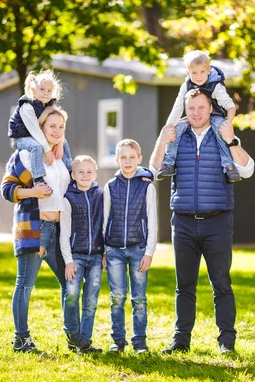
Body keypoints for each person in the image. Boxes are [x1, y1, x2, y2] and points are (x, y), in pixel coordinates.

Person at [149, 89, 255, 355]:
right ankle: (181, 341)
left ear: (210, 108)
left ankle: (226, 342)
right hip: (183, 223)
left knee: (221, 283)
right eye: (191, 108)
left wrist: (232, 142)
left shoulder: (222, 134)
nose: (195, 113)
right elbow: (154, 169)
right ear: (186, 109)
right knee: (184, 286)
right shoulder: (177, 135)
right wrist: (162, 142)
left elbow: (248, 169)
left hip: (217, 222)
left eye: (200, 107)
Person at [1, 105, 88, 353]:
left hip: (59, 231)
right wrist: (32, 192)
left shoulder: (61, 158)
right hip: (35, 229)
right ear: (40, 128)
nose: (57, 131)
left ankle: (74, 337)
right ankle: (21, 339)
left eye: (61, 127)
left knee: (71, 282)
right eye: (52, 126)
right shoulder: (27, 155)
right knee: (25, 284)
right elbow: (6, 189)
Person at [103, 139, 157, 354]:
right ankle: (118, 341)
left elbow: (152, 220)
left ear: (139, 159)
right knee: (117, 298)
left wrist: (150, 252)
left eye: (132, 157)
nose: (127, 161)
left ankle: (140, 342)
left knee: (139, 299)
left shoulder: (146, 186)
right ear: (117, 159)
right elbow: (104, 220)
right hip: (114, 250)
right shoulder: (110, 186)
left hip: (138, 250)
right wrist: (104, 251)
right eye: (123, 157)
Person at [156, 50, 241, 183]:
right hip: (196, 116)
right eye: (194, 73)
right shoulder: (187, 85)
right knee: (177, 128)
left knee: (220, 132)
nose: (198, 76)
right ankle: (168, 163)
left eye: (202, 72)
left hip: (216, 115)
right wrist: (169, 127)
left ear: (208, 70)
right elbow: (178, 107)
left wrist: (228, 124)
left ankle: (228, 166)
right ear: (188, 73)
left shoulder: (216, 85)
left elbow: (230, 106)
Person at [59, 155, 104, 354]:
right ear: (73, 174)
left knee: (91, 301)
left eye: (89, 172)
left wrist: (104, 252)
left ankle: (84, 342)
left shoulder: (101, 195)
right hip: (75, 255)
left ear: (95, 174)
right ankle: (71, 333)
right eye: (80, 172)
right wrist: (68, 260)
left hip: (96, 256)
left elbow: (106, 225)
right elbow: (65, 232)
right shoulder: (68, 198)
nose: (85, 175)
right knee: (71, 295)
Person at [7, 69, 65, 184]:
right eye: (42, 89)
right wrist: (48, 151)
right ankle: (38, 178)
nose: (45, 93)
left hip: (34, 135)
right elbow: (35, 130)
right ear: (33, 89)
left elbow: (59, 123)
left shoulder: (47, 105)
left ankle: (67, 171)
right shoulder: (27, 106)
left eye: (49, 91)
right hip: (21, 137)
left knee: (61, 141)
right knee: (36, 147)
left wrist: (60, 143)